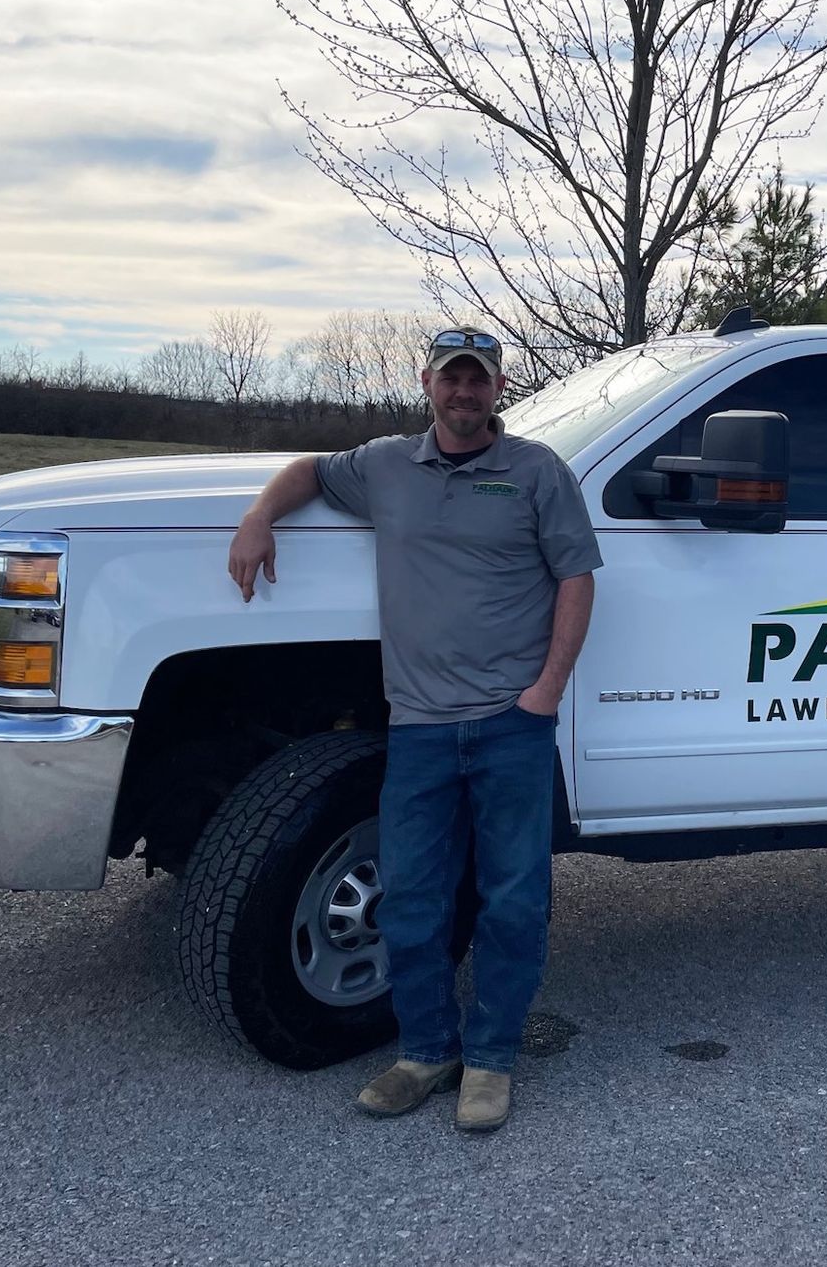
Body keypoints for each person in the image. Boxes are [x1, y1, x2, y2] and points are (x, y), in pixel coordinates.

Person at [226, 327, 601, 1132]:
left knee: (513, 900)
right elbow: (308, 470)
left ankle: (491, 1059)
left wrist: (545, 693)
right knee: (411, 898)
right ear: (427, 383)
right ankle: (426, 1051)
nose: (465, 391)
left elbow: (577, 576)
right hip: (421, 727)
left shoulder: (538, 471)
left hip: (511, 724)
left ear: (498, 388)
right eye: (451, 378)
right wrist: (259, 516)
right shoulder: (386, 466)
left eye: (479, 379)